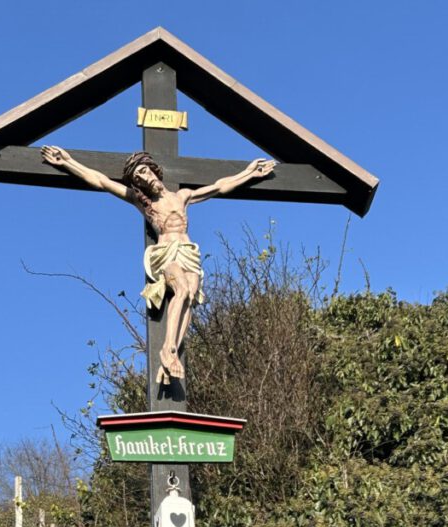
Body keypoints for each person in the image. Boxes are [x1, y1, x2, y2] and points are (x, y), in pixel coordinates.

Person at [41, 145, 275, 383]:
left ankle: (172, 355)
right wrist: (68, 162)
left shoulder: (182, 196)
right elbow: (102, 181)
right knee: (181, 289)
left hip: (188, 253)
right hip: (165, 255)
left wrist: (249, 173)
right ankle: (167, 349)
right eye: (137, 178)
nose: (143, 178)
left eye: (144, 171)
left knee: (190, 297)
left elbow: (219, 186)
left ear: (153, 169)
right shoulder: (142, 202)